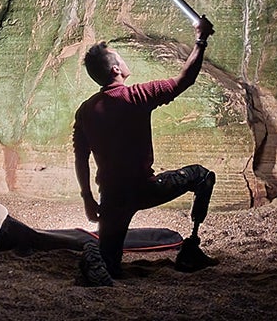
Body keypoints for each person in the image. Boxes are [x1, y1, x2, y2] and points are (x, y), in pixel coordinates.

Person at [72, 17, 219, 284]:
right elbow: (185, 79)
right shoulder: (136, 96)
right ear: (116, 69)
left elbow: (80, 158)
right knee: (202, 176)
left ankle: (95, 256)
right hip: (144, 188)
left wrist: (87, 198)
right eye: (121, 58)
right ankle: (190, 250)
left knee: (110, 265)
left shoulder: (85, 111)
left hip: (112, 198)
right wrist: (201, 40)